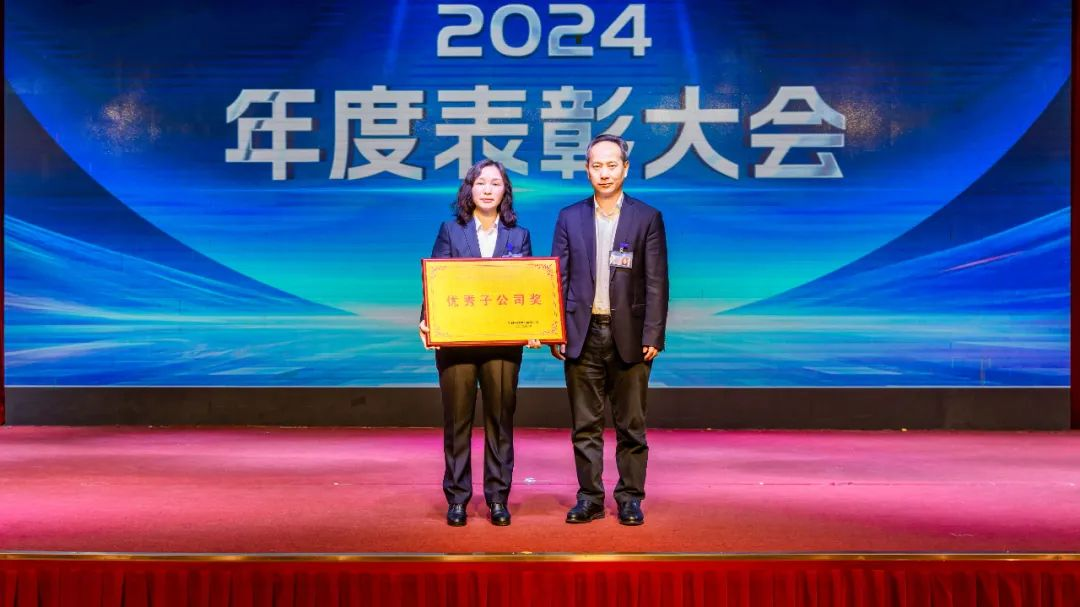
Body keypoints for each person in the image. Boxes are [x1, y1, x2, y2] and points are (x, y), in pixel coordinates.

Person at [550, 134, 669, 526]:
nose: (604, 173)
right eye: (596, 166)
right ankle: (590, 498)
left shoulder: (646, 217)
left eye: (611, 165)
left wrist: (653, 333)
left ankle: (630, 498)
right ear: (587, 170)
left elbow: (656, 281)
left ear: (625, 169)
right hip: (581, 334)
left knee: (631, 425)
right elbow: (557, 278)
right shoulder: (569, 217)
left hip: (631, 335)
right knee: (585, 425)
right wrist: (555, 330)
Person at [419, 159, 538, 527]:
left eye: (495, 183)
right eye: (481, 182)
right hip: (458, 342)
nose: (487, 189)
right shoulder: (451, 230)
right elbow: (437, 279)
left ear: (505, 191)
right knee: (457, 421)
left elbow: (528, 285)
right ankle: (457, 498)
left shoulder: (519, 235)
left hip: (503, 345)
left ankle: (498, 498)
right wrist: (428, 320)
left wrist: (536, 325)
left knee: (500, 421)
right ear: (469, 189)